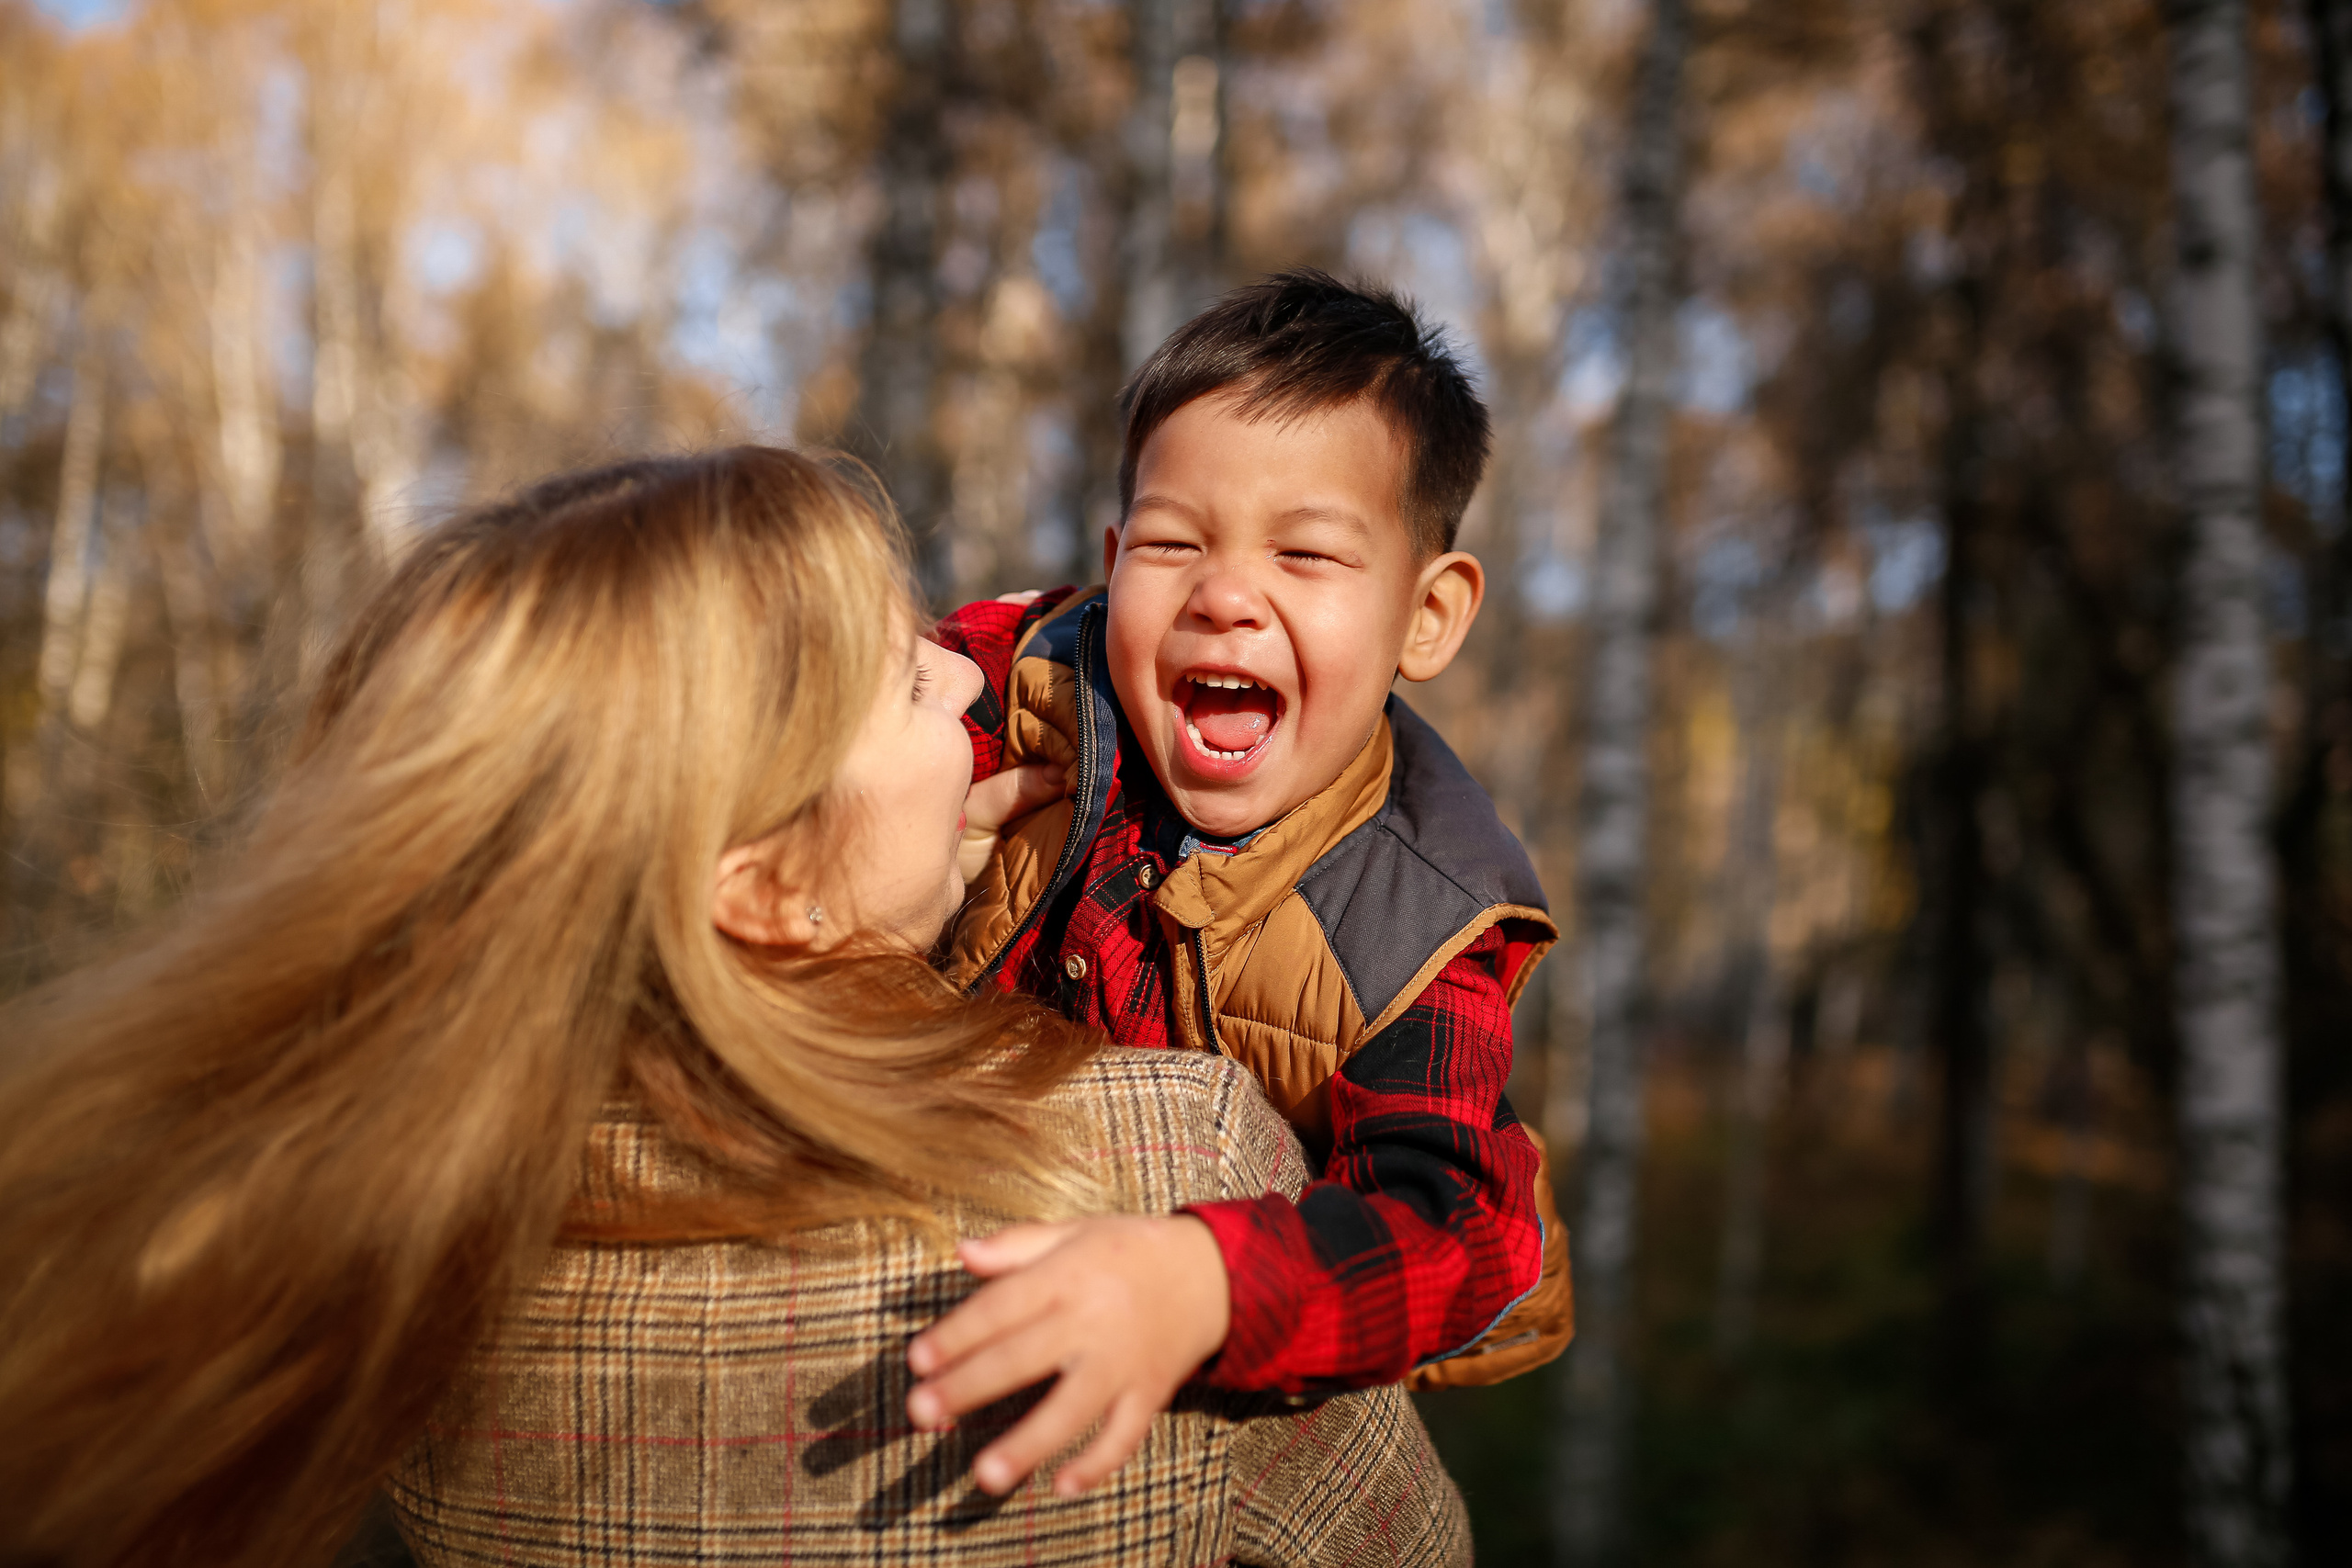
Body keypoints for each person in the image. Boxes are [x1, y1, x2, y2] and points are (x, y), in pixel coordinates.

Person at [0, 446, 1467, 1567]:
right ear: (752, 886)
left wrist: (876, 915)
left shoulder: (405, 1231)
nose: (966, 673)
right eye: (904, 686)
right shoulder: (1163, 1176)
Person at [909, 272, 1575, 1494]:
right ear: (1113, 569)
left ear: (1426, 615)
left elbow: (1449, 1229)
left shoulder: (1416, 922)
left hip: (1209, 1339)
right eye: (1173, 543)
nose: (1223, 596)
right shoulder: (1033, 685)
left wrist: (1204, 1286)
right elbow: (825, 719)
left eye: (1307, 553)